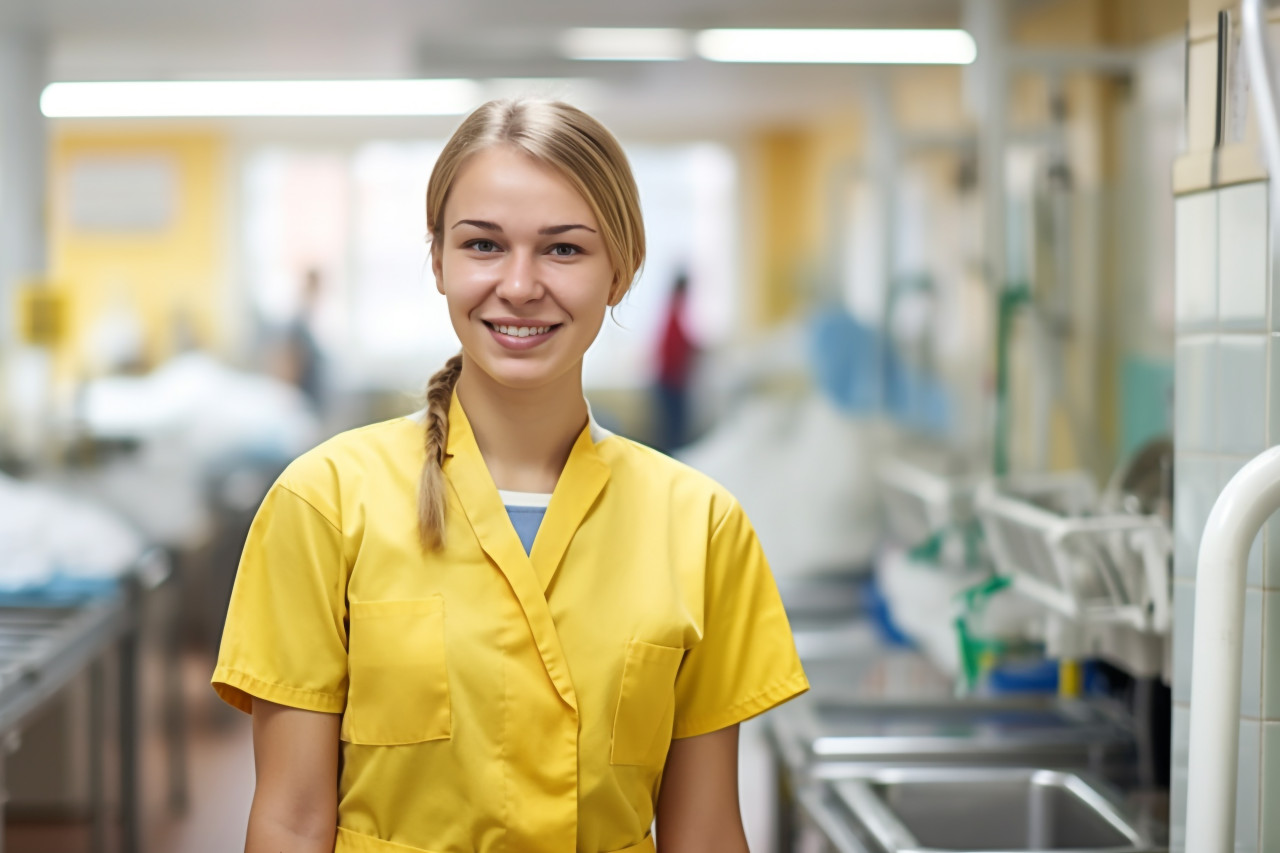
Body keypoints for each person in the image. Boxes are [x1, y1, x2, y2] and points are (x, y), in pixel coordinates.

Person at [212, 98, 808, 853]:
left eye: (563, 250)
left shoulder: (699, 526)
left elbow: (707, 832)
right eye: (484, 245)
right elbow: (291, 822)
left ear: (620, 269)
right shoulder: (324, 502)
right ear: (438, 261)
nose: (520, 285)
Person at [653, 270, 696, 452]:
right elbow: (675, 347)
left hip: (671, 380)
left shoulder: (673, 313)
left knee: (673, 429)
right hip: (670, 381)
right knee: (674, 430)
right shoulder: (673, 313)